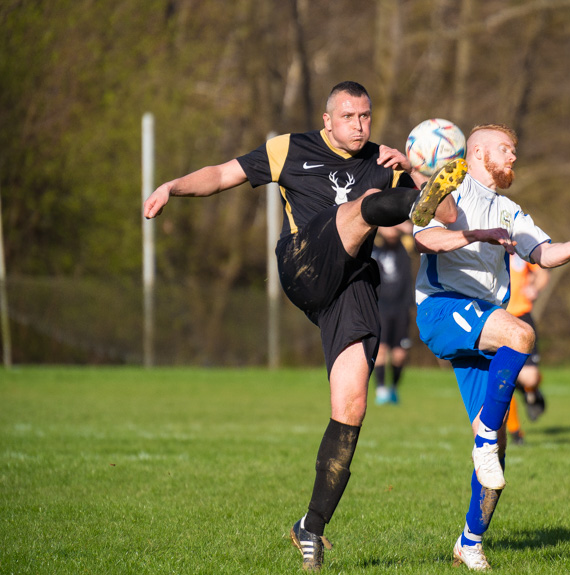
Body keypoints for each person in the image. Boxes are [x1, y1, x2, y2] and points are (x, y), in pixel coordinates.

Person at [143, 81, 466, 571]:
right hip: (304, 262)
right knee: (360, 208)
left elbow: (447, 215)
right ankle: (397, 206)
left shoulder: (385, 160)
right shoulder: (290, 148)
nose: (360, 126)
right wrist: (171, 186)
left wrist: (416, 172)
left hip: (351, 285)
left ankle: (310, 527)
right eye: (350, 116)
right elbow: (221, 173)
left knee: (352, 404)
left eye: (366, 116)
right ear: (327, 119)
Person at [413, 123, 570, 570]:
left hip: (481, 321)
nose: (513, 158)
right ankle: (482, 435)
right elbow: (423, 238)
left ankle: (470, 542)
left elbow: (541, 251)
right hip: (444, 309)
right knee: (521, 334)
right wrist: (474, 236)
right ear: (477, 152)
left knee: (497, 460)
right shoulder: (449, 193)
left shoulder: (510, 210)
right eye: (506, 149)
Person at [504, 253, 550, 444]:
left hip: (521, 315)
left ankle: (531, 391)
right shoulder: (483, 246)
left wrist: (534, 287)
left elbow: (543, 274)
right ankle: (515, 431)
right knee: (503, 379)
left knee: (529, 377)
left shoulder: (519, 247)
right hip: (495, 316)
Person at [371, 222, 415, 405]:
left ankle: (394, 388)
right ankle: (381, 389)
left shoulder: (405, 245)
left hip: (402, 306)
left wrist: (396, 223)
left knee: (399, 353)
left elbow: (416, 231)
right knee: (380, 348)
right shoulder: (373, 245)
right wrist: (381, 223)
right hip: (380, 306)